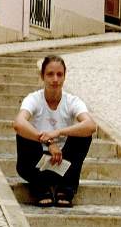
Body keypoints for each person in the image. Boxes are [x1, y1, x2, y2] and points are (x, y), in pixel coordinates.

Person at [13, 55, 96, 207]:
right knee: (23, 133)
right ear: (42, 76)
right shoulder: (34, 99)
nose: (55, 79)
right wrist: (47, 141)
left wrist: (58, 132)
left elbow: (91, 125)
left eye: (59, 74)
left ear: (65, 77)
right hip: (35, 164)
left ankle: (65, 189)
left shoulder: (72, 101)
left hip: (62, 163)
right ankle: (40, 188)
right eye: (50, 74)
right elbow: (18, 123)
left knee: (83, 134)